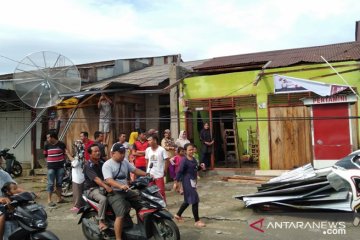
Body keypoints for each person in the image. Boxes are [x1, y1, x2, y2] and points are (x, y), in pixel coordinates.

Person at [102, 143, 147, 240]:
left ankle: (142, 228)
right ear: (113, 153)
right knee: (121, 214)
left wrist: (147, 174)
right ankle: (118, 238)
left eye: (124, 152)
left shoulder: (125, 162)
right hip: (114, 193)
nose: (123, 155)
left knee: (142, 204)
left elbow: (135, 170)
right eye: (121, 153)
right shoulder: (107, 165)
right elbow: (109, 180)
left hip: (126, 190)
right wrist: (120, 186)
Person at [173, 143, 206, 228]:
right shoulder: (184, 160)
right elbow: (179, 171)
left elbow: (195, 169)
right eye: (189, 150)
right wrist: (176, 182)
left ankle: (178, 215)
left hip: (193, 181)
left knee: (188, 200)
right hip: (187, 181)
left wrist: (201, 167)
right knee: (195, 199)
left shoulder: (194, 159)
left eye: (192, 149)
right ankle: (197, 221)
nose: (191, 151)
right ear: (185, 151)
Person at [83, 144, 113, 231]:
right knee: (103, 199)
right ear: (90, 154)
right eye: (95, 151)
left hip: (103, 186)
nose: (98, 153)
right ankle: (101, 221)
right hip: (92, 189)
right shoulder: (88, 166)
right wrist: (106, 186)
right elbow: (96, 179)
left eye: (98, 151)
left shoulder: (102, 162)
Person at [44, 131, 67, 208]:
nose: (47, 139)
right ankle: (49, 200)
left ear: (52, 137)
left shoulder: (61, 144)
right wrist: (47, 164)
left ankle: (59, 199)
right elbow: (45, 155)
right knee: (50, 184)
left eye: (48, 137)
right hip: (51, 168)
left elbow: (65, 154)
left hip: (60, 167)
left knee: (59, 183)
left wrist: (63, 163)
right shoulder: (46, 145)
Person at [0, 169, 24, 239]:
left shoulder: (4, 174)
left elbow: (14, 188)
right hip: (1, 202)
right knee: (2, 215)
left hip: (7, 201)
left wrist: (27, 193)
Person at [145, 134, 169, 202]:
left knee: (161, 191)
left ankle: (163, 204)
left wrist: (165, 170)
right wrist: (147, 171)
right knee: (151, 190)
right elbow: (147, 160)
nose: (148, 141)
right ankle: (153, 204)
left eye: (150, 140)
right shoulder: (147, 150)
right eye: (148, 140)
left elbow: (167, 160)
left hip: (159, 173)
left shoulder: (161, 150)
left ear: (155, 141)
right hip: (150, 174)